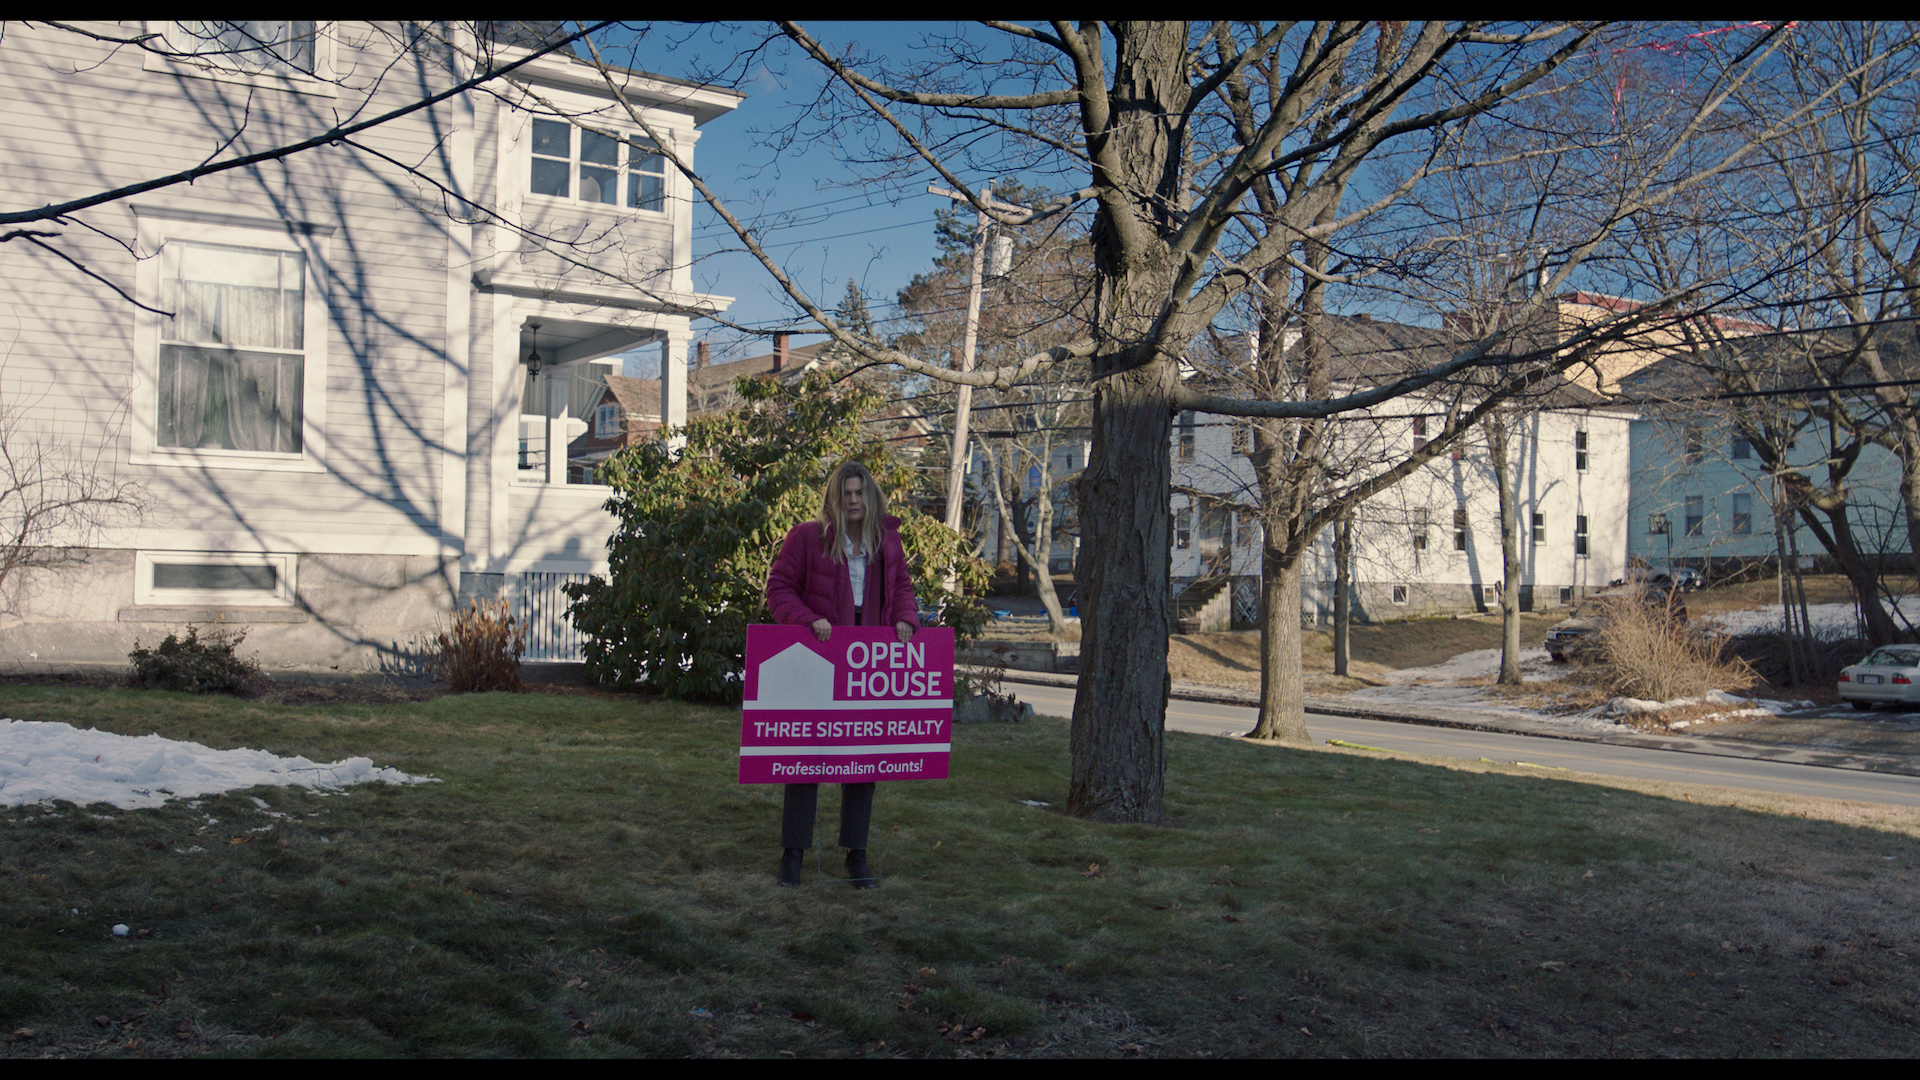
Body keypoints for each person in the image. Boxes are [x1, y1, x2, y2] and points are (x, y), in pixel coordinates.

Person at [764, 460, 919, 888]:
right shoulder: (805, 538)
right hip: (818, 656)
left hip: (865, 663)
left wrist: (905, 617)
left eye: (859, 493)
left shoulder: (886, 541)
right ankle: (792, 855)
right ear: (835, 497)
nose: (853, 500)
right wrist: (808, 619)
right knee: (804, 759)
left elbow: (902, 587)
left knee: (863, 760)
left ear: (870, 497)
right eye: (846, 493)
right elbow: (778, 589)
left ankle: (857, 856)